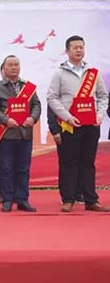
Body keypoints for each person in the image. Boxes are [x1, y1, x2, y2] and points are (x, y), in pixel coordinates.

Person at [47, 35, 109, 212]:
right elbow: (52, 98)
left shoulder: (93, 74)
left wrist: (99, 115)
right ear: (67, 51)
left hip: (91, 125)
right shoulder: (59, 74)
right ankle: (68, 199)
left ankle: (91, 200)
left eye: (81, 47)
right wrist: (67, 117)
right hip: (69, 125)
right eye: (75, 47)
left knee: (88, 163)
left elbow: (103, 96)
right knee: (69, 163)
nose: (79, 50)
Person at [0, 55, 41, 212]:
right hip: (6, 134)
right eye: (10, 65)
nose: (14, 67)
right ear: (4, 68)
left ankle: (22, 199)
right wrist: (6, 120)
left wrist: (33, 118)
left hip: (25, 133)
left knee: (23, 168)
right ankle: (7, 199)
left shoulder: (28, 87)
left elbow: (36, 105)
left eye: (16, 64)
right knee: (6, 168)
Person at [47, 106, 84, 204]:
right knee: (66, 164)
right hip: (64, 129)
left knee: (82, 162)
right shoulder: (55, 96)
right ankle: (66, 195)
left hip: (81, 129)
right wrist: (55, 131)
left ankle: (78, 193)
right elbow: (52, 110)